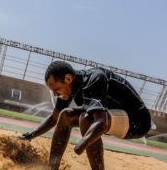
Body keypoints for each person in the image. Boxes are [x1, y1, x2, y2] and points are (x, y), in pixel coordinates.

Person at [18, 61, 151, 170]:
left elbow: (101, 122)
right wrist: (30, 135)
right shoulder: (67, 88)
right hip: (112, 118)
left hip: (138, 121)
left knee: (86, 119)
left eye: (56, 90)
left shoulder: (95, 78)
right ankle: (52, 168)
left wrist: (80, 145)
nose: (55, 95)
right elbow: (55, 118)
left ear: (68, 79)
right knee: (65, 115)